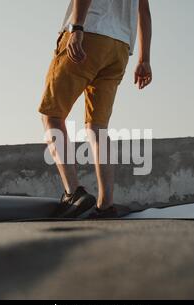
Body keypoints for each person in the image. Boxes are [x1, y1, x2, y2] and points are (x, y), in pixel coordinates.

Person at [39, 0, 152, 219]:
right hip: (120, 47)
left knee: (52, 115)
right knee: (98, 127)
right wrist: (144, 59)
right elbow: (144, 12)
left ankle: (73, 193)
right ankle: (106, 204)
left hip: (89, 32)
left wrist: (77, 28)